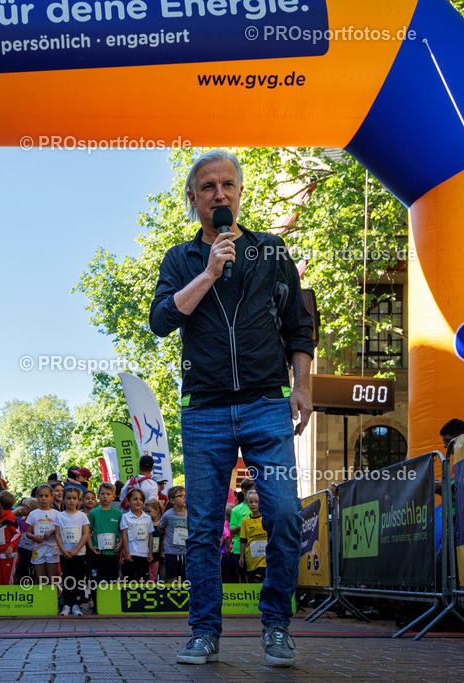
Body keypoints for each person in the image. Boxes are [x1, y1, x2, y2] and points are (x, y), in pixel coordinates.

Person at [150, 149, 314, 667]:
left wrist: (303, 385)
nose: (219, 195)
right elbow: (160, 320)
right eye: (207, 188)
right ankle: (204, 632)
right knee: (200, 526)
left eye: (227, 185)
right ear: (194, 200)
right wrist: (209, 273)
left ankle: (276, 626)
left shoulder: (271, 250)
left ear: (239, 192)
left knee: (285, 514)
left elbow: (298, 323)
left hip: (268, 403)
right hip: (206, 411)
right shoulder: (181, 259)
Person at [55, 487, 90, 616]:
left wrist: (76, 549)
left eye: (74, 498)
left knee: (78, 578)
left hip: (79, 553)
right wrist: (63, 550)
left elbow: (85, 534)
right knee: (67, 578)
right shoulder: (60, 516)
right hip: (64, 553)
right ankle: (66, 604)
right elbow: (58, 535)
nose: (71, 501)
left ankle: (76, 603)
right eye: (68, 498)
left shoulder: (82, 516)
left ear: (78, 501)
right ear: (64, 500)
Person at [87, 482, 123, 584]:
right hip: (98, 552)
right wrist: (91, 546)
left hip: (113, 553)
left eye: (108, 494)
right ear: (98, 496)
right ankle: (95, 599)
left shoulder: (118, 513)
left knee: (111, 581)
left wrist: (120, 544)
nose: (105, 496)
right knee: (96, 581)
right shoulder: (93, 513)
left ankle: (111, 600)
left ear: (113, 497)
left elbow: (123, 532)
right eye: (102, 494)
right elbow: (88, 531)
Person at [25, 484, 60, 587]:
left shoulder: (57, 514)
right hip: (37, 548)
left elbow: (60, 531)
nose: (43, 499)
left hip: (53, 548)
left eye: (46, 496)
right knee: (40, 577)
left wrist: (52, 531)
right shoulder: (33, 514)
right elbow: (28, 532)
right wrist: (34, 537)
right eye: (40, 496)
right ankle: (43, 600)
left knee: (52, 577)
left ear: (51, 497)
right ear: (36, 497)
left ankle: (53, 600)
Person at [119, 488, 152, 580]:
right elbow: (124, 535)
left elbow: (150, 535)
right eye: (135, 499)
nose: (138, 501)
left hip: (144, 554)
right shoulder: (125, 517)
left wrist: (150, 553)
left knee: (142, 580)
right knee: (130, 580)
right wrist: (126, 552)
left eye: (141, 499)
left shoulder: (147, 518)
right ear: (128, 502)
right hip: (131, 554)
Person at [160, 486, 189, 581]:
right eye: (181, 496)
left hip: (185, 552)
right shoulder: (168, 515)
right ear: (172, 500)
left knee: (185, 579)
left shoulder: (189, 514)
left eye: (185, 495)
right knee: (172, 579)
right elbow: (161, 528)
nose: (184, 498)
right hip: (171, 552)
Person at [229, 478, 255, 582]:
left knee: (254, 575)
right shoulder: (236, 510)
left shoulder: (258, 506)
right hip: (239, 547)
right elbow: (231, 530)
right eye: (251, 490)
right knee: (242, 575)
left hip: (255, 545)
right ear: (244, 491)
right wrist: (240, 527)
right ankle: (243, 595)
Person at [0, 490, 20, 585]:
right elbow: (7, 534)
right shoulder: (2, 518)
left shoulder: (9, 517)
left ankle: (10, 598)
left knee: (8, 580)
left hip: (9, 553)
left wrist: (11, 546)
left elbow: (17, 533)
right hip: (1, 552)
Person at [239, 492, 268, 583]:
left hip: (265, 557)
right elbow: (243, 540)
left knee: (259, 579)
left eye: (256, 501)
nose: (254, 504)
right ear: (247, 504)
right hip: (251, 558)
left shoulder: (266, 519)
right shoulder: (245, 521)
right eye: (251, 502)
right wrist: (241, 557)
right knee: (252, 581)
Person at [144, 498, 164, 580]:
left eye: (149, 511)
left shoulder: (161, 524)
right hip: (146, 554)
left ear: (157, 510)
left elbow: (163, 539)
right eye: (145, 512)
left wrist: (163, 551)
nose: (146, 514)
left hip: (158, 555)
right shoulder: (145, 524)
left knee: (154, 576)